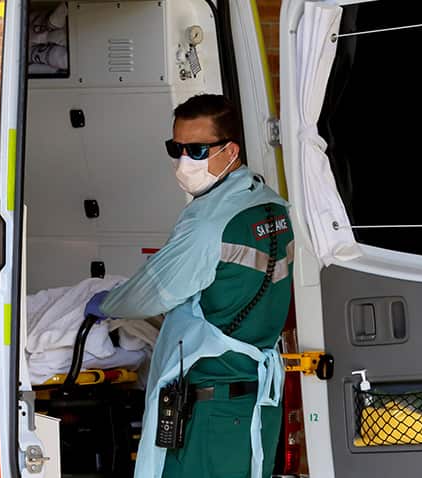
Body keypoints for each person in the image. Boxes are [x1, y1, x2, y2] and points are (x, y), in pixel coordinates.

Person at [85, 94, 294, 478]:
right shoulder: (272, 208)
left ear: (230, 151)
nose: (184, 161)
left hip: (209, 412)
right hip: (253, 407)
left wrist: (108, 303)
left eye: (196, 150)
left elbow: (153, 291)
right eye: (176, 148)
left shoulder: (208, 224)